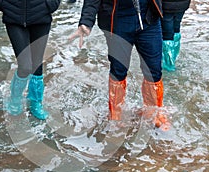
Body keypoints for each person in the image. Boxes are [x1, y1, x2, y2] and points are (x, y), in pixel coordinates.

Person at [70, 0, 169, 129]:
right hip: (117, 21)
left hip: (149, 18)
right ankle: (115, 115)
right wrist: (86, 21)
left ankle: (154, 113)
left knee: (154, 69)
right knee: (119, 69)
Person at [0, 0, 61, 119]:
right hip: (14, 17)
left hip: (41, 16)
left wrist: (50, 4)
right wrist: (3, 4)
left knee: (37, 64)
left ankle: (35, 102)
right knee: (25, 66)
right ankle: (15, 99)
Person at [161, 0, 191, 71]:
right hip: (183, 4)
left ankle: (168, 65)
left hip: (165, 6)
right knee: (176, 29)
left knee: (167, 34)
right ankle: (173, 58)